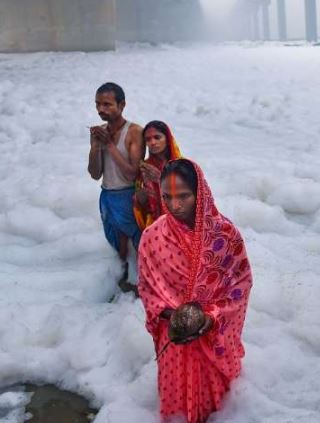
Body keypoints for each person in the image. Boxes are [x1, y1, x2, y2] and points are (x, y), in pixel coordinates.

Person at [138, 159, 252, 423]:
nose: (175, 205)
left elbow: (240, 284)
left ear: (200, 192)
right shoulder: (152, 236)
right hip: (174, 336)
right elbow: (148, 289)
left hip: (212, 334)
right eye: (167, 197)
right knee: (177, 408)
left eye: (184, 196)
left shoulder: (224, 235)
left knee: (218, 408)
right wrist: (173, 316)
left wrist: (207, 316)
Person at [88, 82, 144, 264]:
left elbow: (132, 174)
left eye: (106, 104)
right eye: (97, 104)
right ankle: (121, 279)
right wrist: (96, 147)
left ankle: (140, 283)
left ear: (122, 105)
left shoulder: (135, 132)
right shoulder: (100, 132)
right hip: (107, 195)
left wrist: (110, 146)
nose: (100, 109)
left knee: (136, 244)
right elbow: (95, 174)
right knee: (119, 248)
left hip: (128, 196)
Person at [133, 121, 182, 231]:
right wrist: (141, 197)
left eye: (157, 137)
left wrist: (161, 179)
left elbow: (190, 196)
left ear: (168, 139)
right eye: (148, 139)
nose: (152, 142)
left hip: (179, 224)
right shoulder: (145, 168)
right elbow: (140, 203)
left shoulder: (182, 166)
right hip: (155, 225)